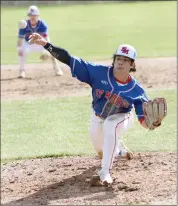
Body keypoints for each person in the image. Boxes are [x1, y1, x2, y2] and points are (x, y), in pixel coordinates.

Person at [28, 33, 167, 186]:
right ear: (114, 60)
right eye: (118, 58)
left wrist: (154, 123)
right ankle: (118, 149)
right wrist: (47, 45)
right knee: (100, 150)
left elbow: (144, 121)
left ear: (132, 65)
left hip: (122, 118)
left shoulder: (136, 90)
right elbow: (68, 59)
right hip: (97, 116)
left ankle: (105, 172)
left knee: (110, 124)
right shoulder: (97, 72)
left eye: (125, 60)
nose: (121, 62)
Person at [17, 5, 63, 78]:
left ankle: (57, 69)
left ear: (38, 15)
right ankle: (22, 71)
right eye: (31, 15)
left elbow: (47, 38)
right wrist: (19, 49)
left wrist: (48, 50)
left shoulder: (42, 24)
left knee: (52, 50)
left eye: (34, 15)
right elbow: (20, 39)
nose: (33, 17)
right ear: (29, 16)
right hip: (28, 43)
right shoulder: (24, 25)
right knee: (22, 52)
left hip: (40, 42)